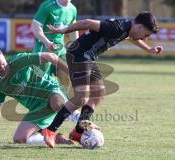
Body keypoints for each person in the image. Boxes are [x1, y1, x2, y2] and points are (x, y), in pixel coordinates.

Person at [42, 11, 164, 148]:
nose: (145, 38)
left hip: (88, 57)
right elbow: (87, 22)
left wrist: (148, 50)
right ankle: (50, 130)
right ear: (140, 27)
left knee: (98, 94)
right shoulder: (117, 27)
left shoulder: (127, 30)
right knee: (80, 98)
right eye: (146, 35)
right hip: (78, 55)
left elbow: (130, 39)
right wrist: (63, 30)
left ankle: (78, 131)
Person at [0, 49, 77, 145]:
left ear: (4, 58)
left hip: (51, 91)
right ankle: (56, 139)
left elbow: (51, 56)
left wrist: (72, 74)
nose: (3, 68)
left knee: (57, 103)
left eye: (3, 63)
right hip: (37, 109)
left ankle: (84, 124)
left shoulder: (19, 60)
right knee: (19, 139)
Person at [31, 0, 78, 93]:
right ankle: (38, 106)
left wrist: (76, 46)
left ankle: (65, 104)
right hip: (44, 49)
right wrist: (47, 42)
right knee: (40, 82)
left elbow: (73, 29)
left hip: (61, 50)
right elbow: (35, 27)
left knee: (67, 75)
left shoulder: (73, 9)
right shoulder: (47, 6)